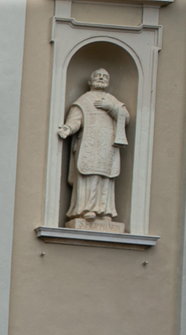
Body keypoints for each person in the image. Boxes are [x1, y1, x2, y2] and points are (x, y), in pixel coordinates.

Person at [56, 68, 130, 226]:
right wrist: (67, 129)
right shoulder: (84, 100)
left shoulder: (112, 100)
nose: (101, 78)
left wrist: (110, 107)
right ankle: (86, 210)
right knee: (89, 176)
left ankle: (105, 212)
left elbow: (126, 117)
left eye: (105, 76)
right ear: (90, 81)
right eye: (98, 76)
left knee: (105, 177)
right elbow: (76, 120)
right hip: (89, 145)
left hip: (107, 146)